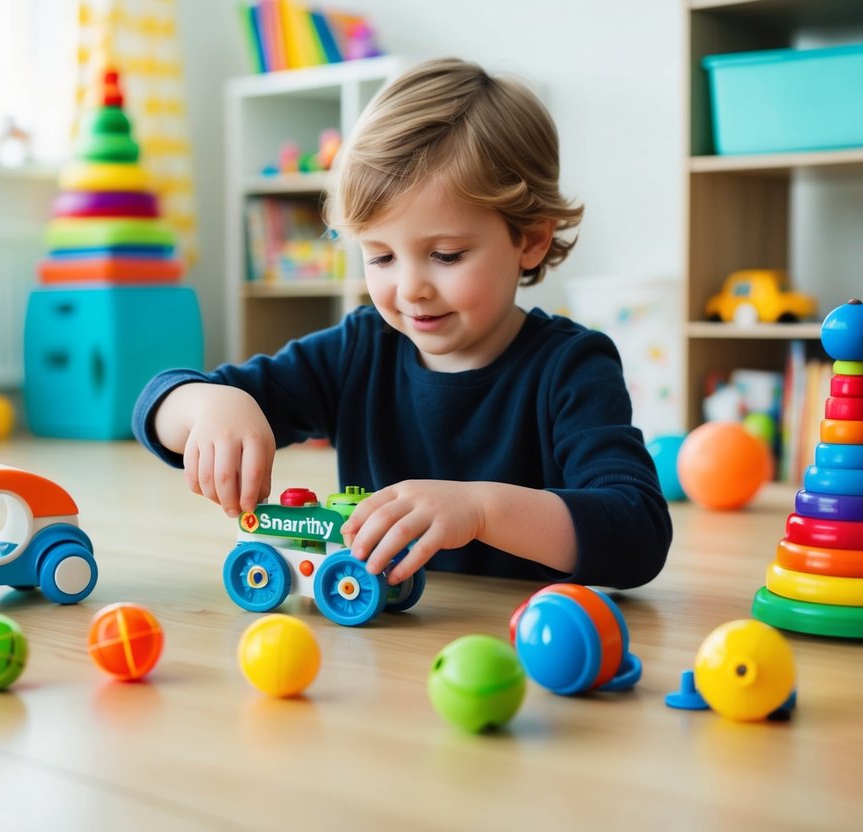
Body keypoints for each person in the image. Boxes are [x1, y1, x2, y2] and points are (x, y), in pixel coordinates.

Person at [133, 57, 671, 590]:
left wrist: (481, 508)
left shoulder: (571, 367)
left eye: (446, 254)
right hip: (377, 645)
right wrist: (211, 405)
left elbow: (637, 531)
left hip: (524, 649)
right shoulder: (358, 351)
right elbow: (154, 407)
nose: (410, 287)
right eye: (381, 257)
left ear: (529, 240)